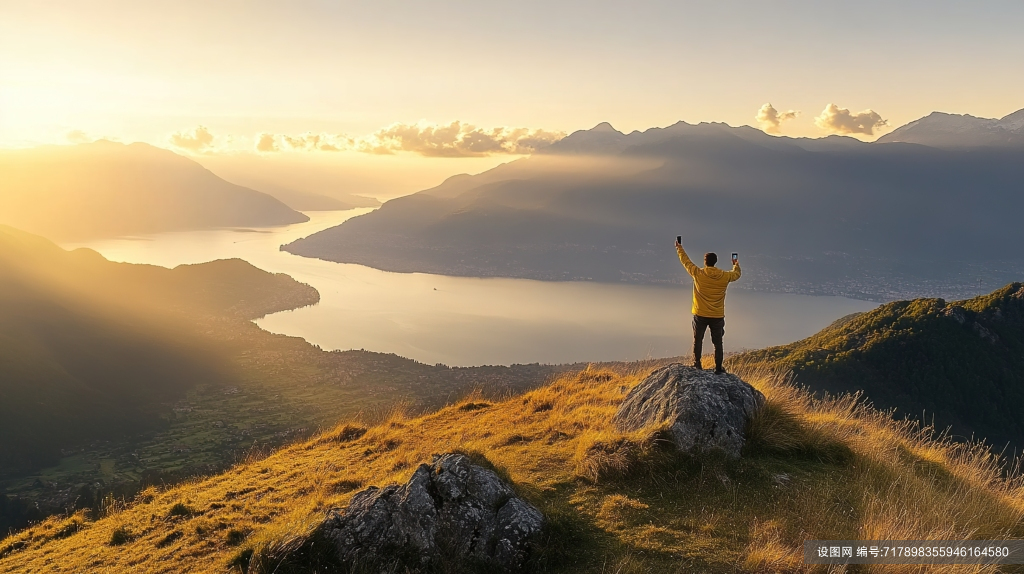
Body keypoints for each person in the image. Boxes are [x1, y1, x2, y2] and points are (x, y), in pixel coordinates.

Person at [675, 238, 741, 374]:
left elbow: (685, 261)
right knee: (718, 343)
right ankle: (718, 368)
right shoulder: (724, 276)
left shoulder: (698, 273)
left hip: (700, 314)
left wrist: (679, 248)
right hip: (717, 315)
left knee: (698, 339)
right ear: (715, 262)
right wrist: (735, 264)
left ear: (705, 262)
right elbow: (737, 275)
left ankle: (697, 363)